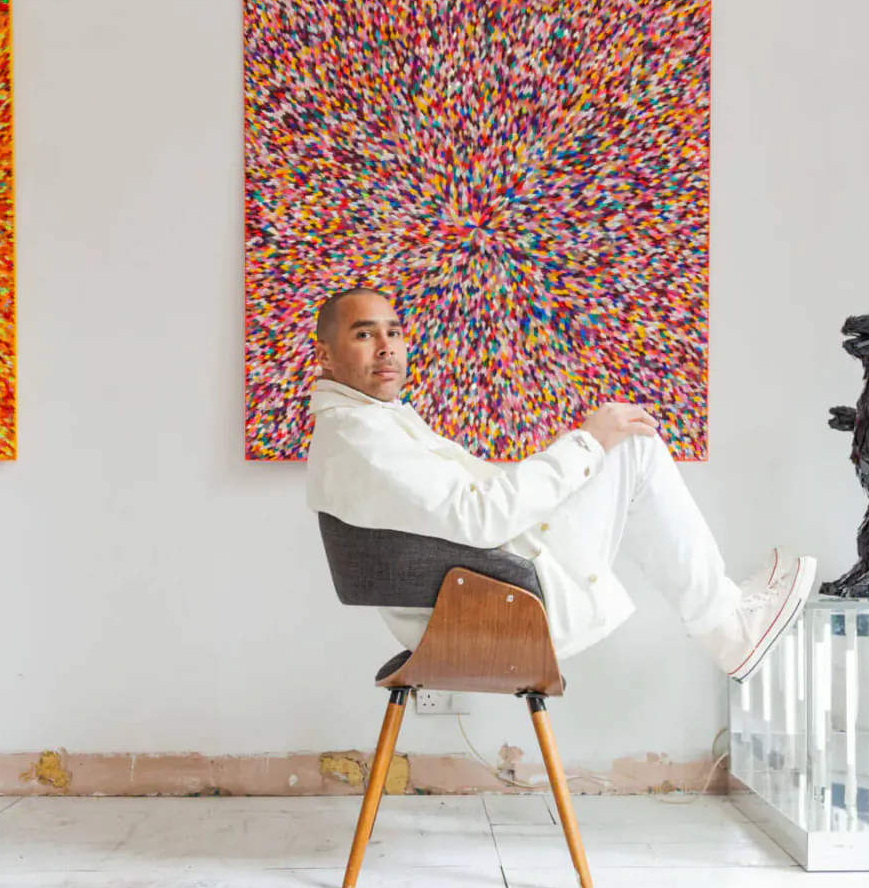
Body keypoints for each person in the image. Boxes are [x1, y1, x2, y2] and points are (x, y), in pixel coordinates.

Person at [304, 288, 816, 682]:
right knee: (631, 447)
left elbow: (471, 511)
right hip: (495, 599)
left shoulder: (370, 423)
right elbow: (481, 517)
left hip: (490, 583)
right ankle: (728, 627)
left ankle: (725, 614)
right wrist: (586, 443)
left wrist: (579, 453)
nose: (387, 348)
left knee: (620, 446)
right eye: (365, 335)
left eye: (394, 332)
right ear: (325, 355)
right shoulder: (361, 435)